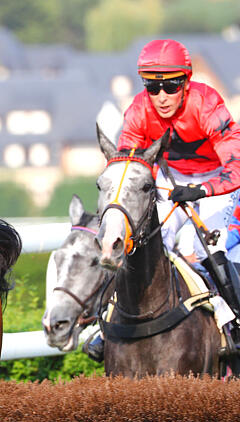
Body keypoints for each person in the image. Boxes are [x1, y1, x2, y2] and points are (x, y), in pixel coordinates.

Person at [84, 38, 240, 361]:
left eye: (171, 86)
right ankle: (107, 326)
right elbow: (126, 163)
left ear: (186, 82)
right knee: (140, 242)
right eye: (153, 87)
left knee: (207, 249)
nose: (162, 96)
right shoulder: (138, 110)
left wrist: (203, 190)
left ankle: (234, 322)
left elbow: (236, 165)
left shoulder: (207, 104)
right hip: (170, 180)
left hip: (216, 182)